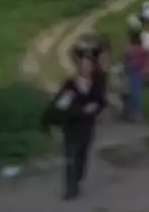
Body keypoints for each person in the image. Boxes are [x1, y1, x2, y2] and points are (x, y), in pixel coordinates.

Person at [44, 52, 106, 200]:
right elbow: (60, 104)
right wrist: (77, 110)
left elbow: (101, 101)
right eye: (83, 65)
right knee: (70, 157)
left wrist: (95, 107)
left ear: (92, 67)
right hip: (71, 126)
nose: (85, 68)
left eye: (88, 65)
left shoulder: (96, 85)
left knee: (82, 156)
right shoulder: (70, 85)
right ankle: (71, 188)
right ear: (78, 66)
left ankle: (78, 177)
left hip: (87, 126)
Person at [122, 32, 149, 122]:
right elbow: (146, 61)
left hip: (132, 71)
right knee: (136, 92)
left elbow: (126, 61)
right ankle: (135, 113)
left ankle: (133, 113)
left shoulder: (129, 50)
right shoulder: (143, 50)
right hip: (139, 72)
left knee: (133, 93)